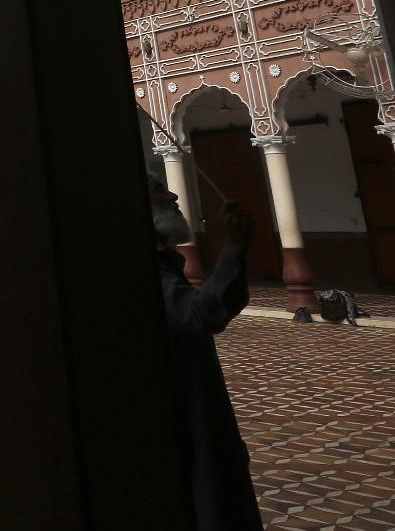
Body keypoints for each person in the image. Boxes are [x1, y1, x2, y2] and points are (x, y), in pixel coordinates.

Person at [151, 178, 264, 531]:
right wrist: (232, 248)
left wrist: (235, 251)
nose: (171, 195)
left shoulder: (166, 264)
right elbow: (200, 315)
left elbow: (220, 307)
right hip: (187, 409)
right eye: (157, 188)